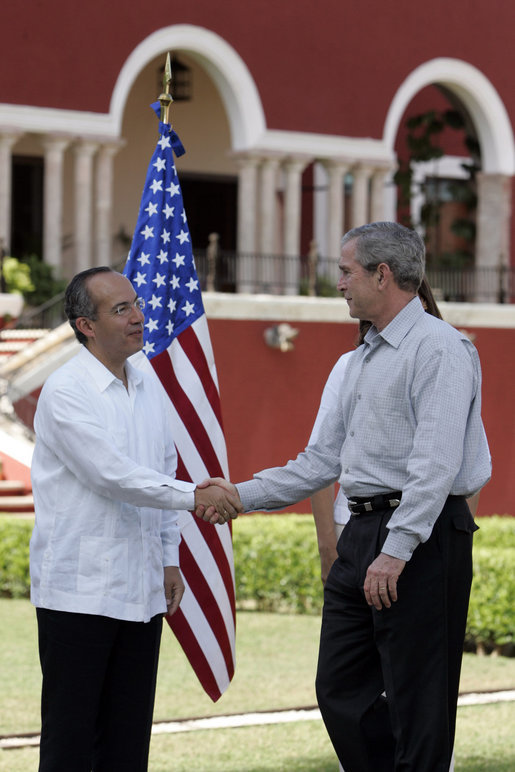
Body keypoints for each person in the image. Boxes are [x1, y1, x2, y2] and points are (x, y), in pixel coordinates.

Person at [197, 222, 491, 771]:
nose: (338, 283)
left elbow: (435, 465)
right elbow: (319, 461)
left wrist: (398, 548)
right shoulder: (354, 362)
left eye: (346, 271)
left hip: (421, 537)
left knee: (418, 704)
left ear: (383, 275)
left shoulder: (441, 349)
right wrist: (242, 494)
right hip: (361, 533)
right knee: (339, 692)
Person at [30, 266, 239, 772]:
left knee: (127, 740)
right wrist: (197, 496)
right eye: (121, 309)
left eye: (136, 305)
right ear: (86, 325)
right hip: (81, 593)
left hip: (142, 588)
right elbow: (112, 476)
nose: (139, 317)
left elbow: (160, 470)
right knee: (72, 741)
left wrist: (170, 560)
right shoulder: (66, 390)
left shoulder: (146, 381)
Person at [310, 278, 443, 585]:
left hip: (427, 534)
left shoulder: (444, 359)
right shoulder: (349, 366)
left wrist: (462, 540)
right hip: (354, 526)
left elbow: (465, 466)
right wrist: (328, 548)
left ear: (423, 303)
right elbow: (319, 462)